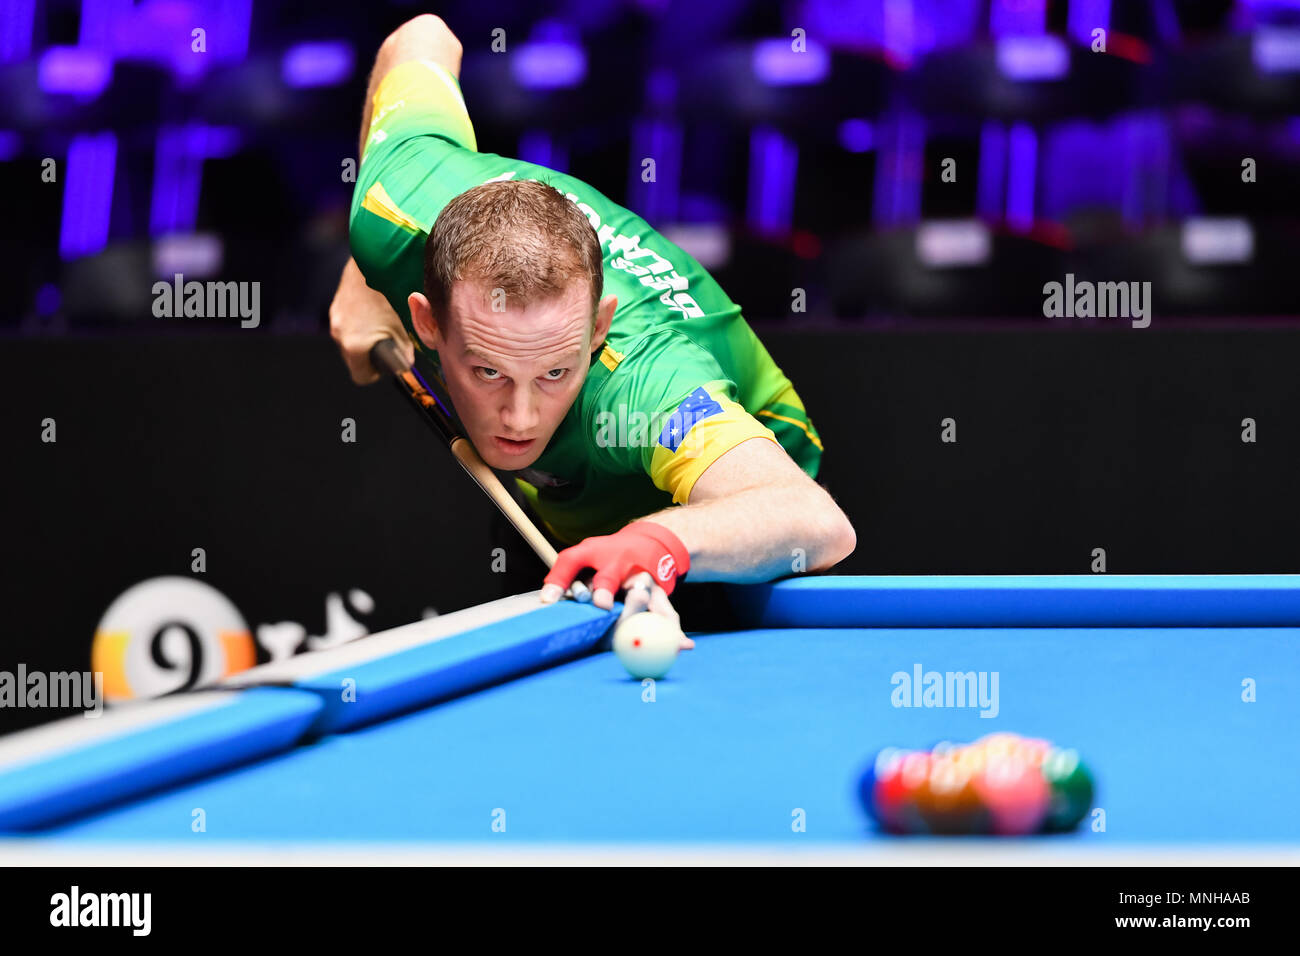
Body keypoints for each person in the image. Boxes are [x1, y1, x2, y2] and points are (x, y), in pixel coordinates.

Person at [330, 15, 855, 632]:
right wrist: (364, 277)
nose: (520, 417)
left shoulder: (644, 383)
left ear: (597, 328)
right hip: (573, 513)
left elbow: (816, 523)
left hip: (724, 530)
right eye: (488, 371)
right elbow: (421, 35)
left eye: (554, 370)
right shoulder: (393, 204)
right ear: (427, 320)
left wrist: (656, 540)